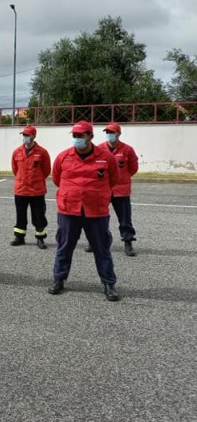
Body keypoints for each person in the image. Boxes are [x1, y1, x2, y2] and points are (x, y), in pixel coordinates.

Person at [49, 121, 121, 301]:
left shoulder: (105, 157)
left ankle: (108, 283)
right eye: (74, 136)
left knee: (101, 248)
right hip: (69, 209)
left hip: (95, 211)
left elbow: (113, 180)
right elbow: (57, 179)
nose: (77, 139)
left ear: (90, 136)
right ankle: (59, 279)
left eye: (80, 136)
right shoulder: (63, 157)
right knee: (64, 246)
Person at [96, 122, 139, 257]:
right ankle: (95, 242)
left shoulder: (127, 150)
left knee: (125, 219)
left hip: (121, 190)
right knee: (98, 217)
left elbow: (133, 168)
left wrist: (122, 178)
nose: (109, 135)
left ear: (118, 134)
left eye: (112, 132)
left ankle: (128, 242)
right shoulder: (99, 149)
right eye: (107, 132)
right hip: (104, 189)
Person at [10, 125, 51, 249]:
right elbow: (15, 169)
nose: (25, 137)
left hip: (36, 191)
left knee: (39, 215)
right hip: (21, 190)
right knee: (20, 215)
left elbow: (46, 171)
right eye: (24, 135)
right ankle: (19, 237)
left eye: (27, 135)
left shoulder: (42, 152)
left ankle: (40, 238)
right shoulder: (17, 151)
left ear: (33, 136)